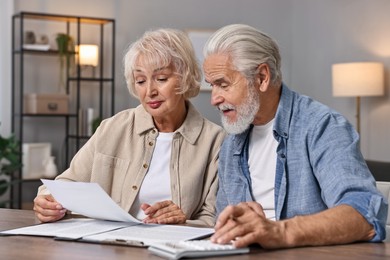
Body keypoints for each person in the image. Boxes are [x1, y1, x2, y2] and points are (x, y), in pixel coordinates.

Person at [202, 24, 388, 248]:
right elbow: (223, 223)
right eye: (212, 86)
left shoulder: (322, 126)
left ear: (262, 77)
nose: (214, 99)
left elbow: (364, 213)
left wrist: (279, 232)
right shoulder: (232, 140)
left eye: (223, 84)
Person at [33, 28, 225, 227]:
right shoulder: (113, 128)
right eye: (140, 81)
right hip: (109, 248)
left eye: (161, 79)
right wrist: (48, 201)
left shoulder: (214, 140)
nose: (149, 91)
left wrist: (183, 222)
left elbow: (213, 217)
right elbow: (67, 183)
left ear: (185, 77)